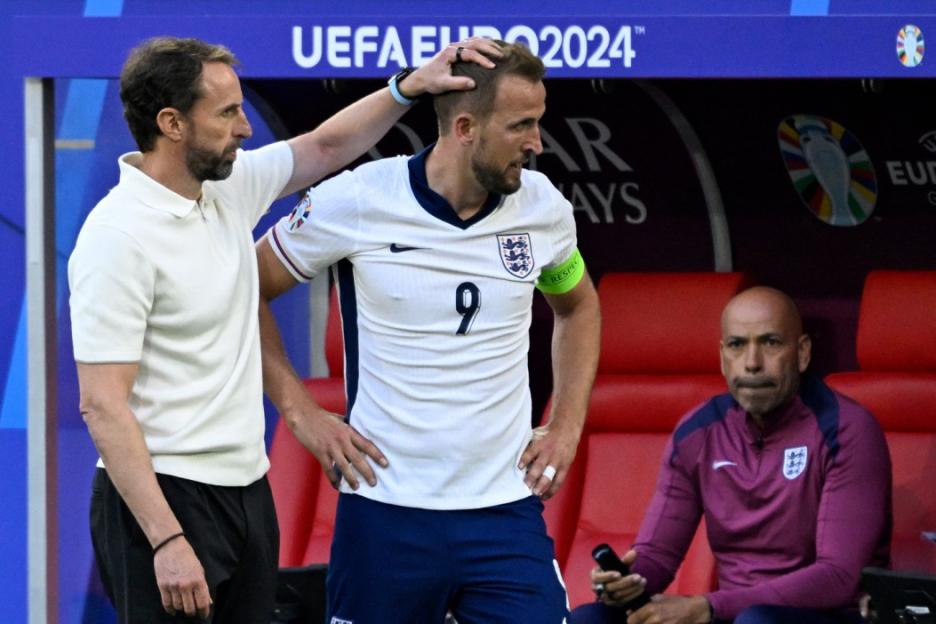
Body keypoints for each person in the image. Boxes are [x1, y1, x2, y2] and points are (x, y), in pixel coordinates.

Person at [68, 35, 500, 623]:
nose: (245, 128)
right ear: (171, 123)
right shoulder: (116, 237)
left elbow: (325, 145)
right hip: (162, 501)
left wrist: (408, 87)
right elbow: (101, 405)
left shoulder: (226, 186)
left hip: (246, 492)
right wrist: (166, 541)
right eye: (226, 113)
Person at [256, 41, 601, 623]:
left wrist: (566, 425)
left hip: (503, 512)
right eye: (521, 125)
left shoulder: (542, 209)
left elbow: (578, 308)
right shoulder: (359, 200)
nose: (537, 143)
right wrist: (301, 414)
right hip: (386, 513)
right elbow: (245, 290)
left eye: (538, 123)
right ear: (465, 126)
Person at [571, 286, 892, 624]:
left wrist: (707, 607)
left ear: (802, 352)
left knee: (757, 621)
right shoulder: (699, 431)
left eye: (770, 343)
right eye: (738, 345)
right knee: (592, 618)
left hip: (824, 615)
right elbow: (658, 556)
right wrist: (625, 582)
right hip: (730, 615)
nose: (752, 364)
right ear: (723, 357)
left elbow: (837, 577)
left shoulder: (846, 428)